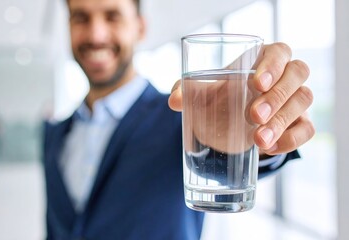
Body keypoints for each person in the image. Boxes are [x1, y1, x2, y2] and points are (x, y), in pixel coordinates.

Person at [42, 0, 315, 239]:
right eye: (81, 18)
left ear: (140, 28)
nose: (96, 34)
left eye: (112, 16)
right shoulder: (54, 133)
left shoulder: (181, 117)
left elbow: (211, 154)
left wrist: (254, 142)